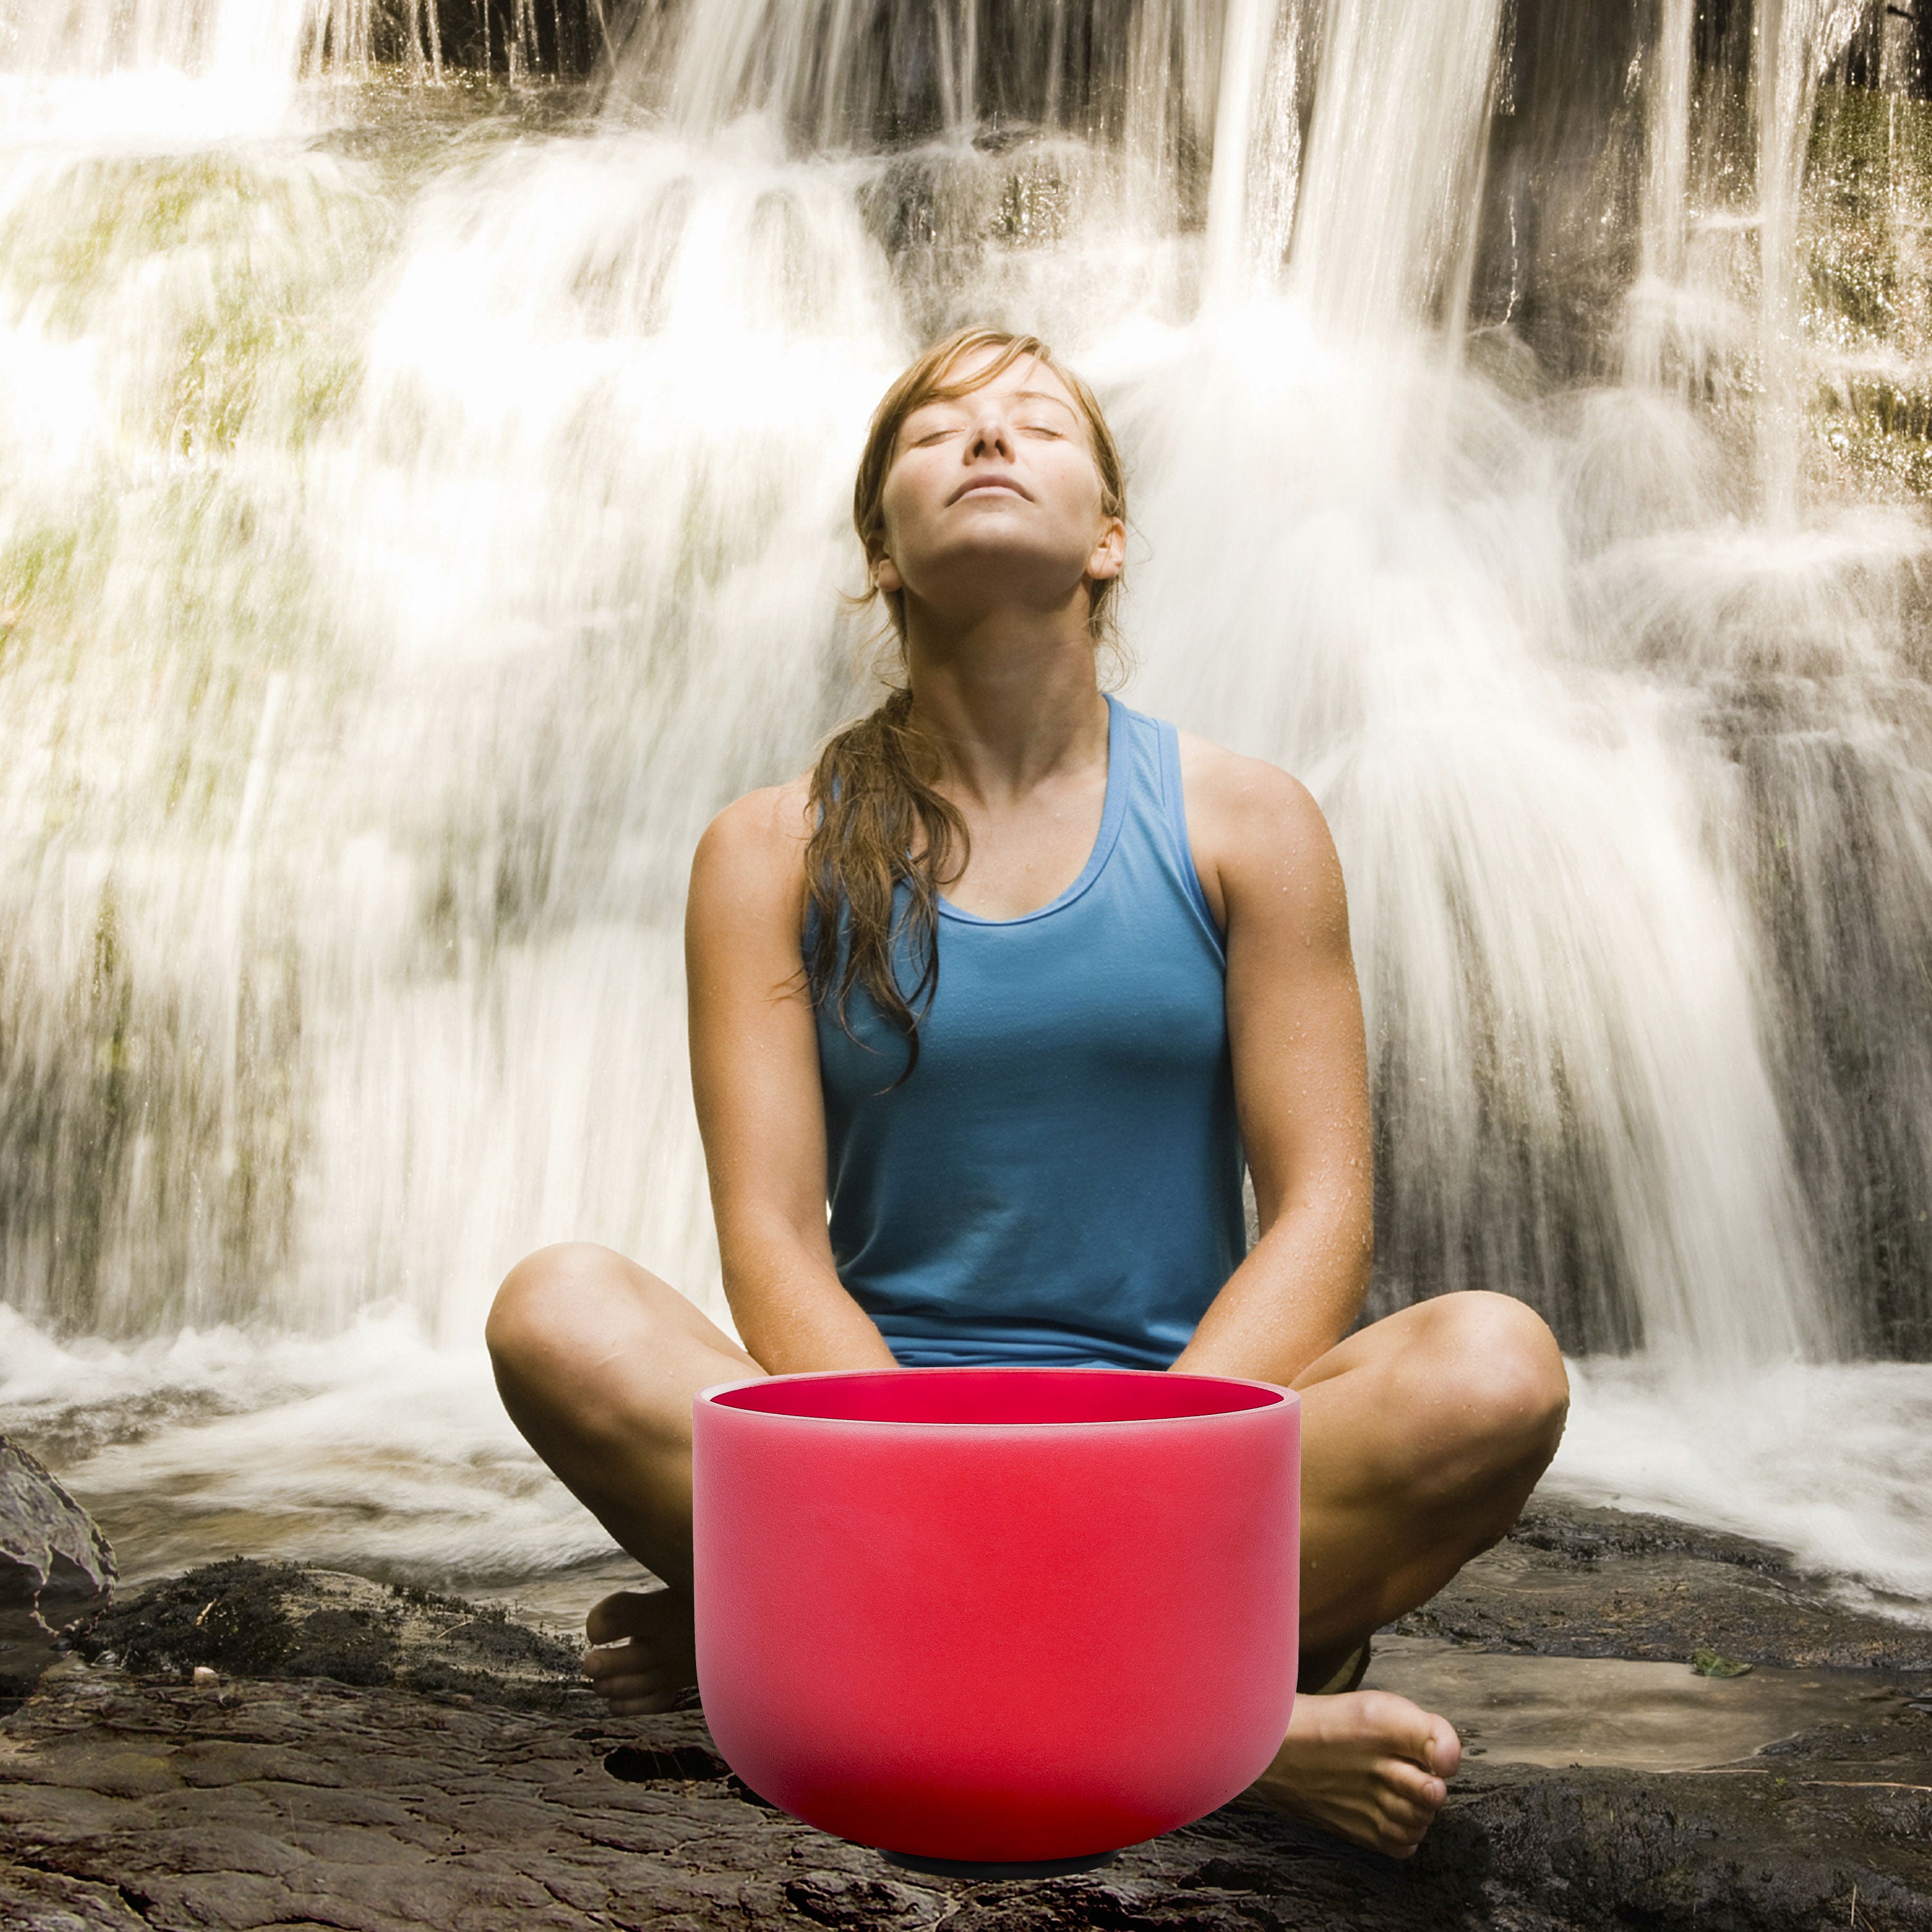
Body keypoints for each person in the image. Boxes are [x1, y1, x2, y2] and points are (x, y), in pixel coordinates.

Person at [485, 326, 1571, 1861]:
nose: (987, 442)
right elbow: (774, 1239)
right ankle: (1224, 1730)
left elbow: (1322, 1213)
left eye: (1037, 425)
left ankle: (843, 1653)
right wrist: (915, 1471)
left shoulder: (1248, 824)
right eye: (937, 432)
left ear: (1109, 538)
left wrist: (1149, 1465)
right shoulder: (766, 850)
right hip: (866, 1434)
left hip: (1186, 1437)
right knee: (558, 1306)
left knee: (1496, 1367)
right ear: (881, 550)